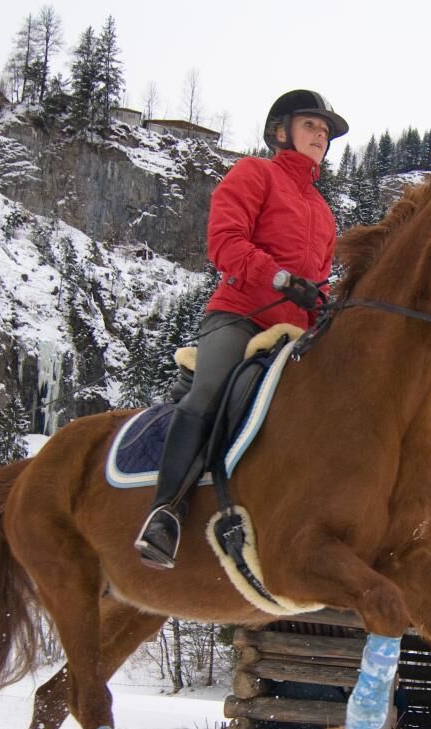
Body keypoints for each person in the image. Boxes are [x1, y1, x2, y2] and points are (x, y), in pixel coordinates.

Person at [135, 89, 348, 570]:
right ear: (281, 131)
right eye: (311, 126)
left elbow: (319, 284)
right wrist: (279, 278)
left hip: (294, 336)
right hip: (240, 316)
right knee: (208, 393)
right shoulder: (254, 174)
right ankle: (165, 513)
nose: (320, 135)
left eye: (325, 131)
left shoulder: (323, 211)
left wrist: (329, 305)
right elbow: (225, 243)